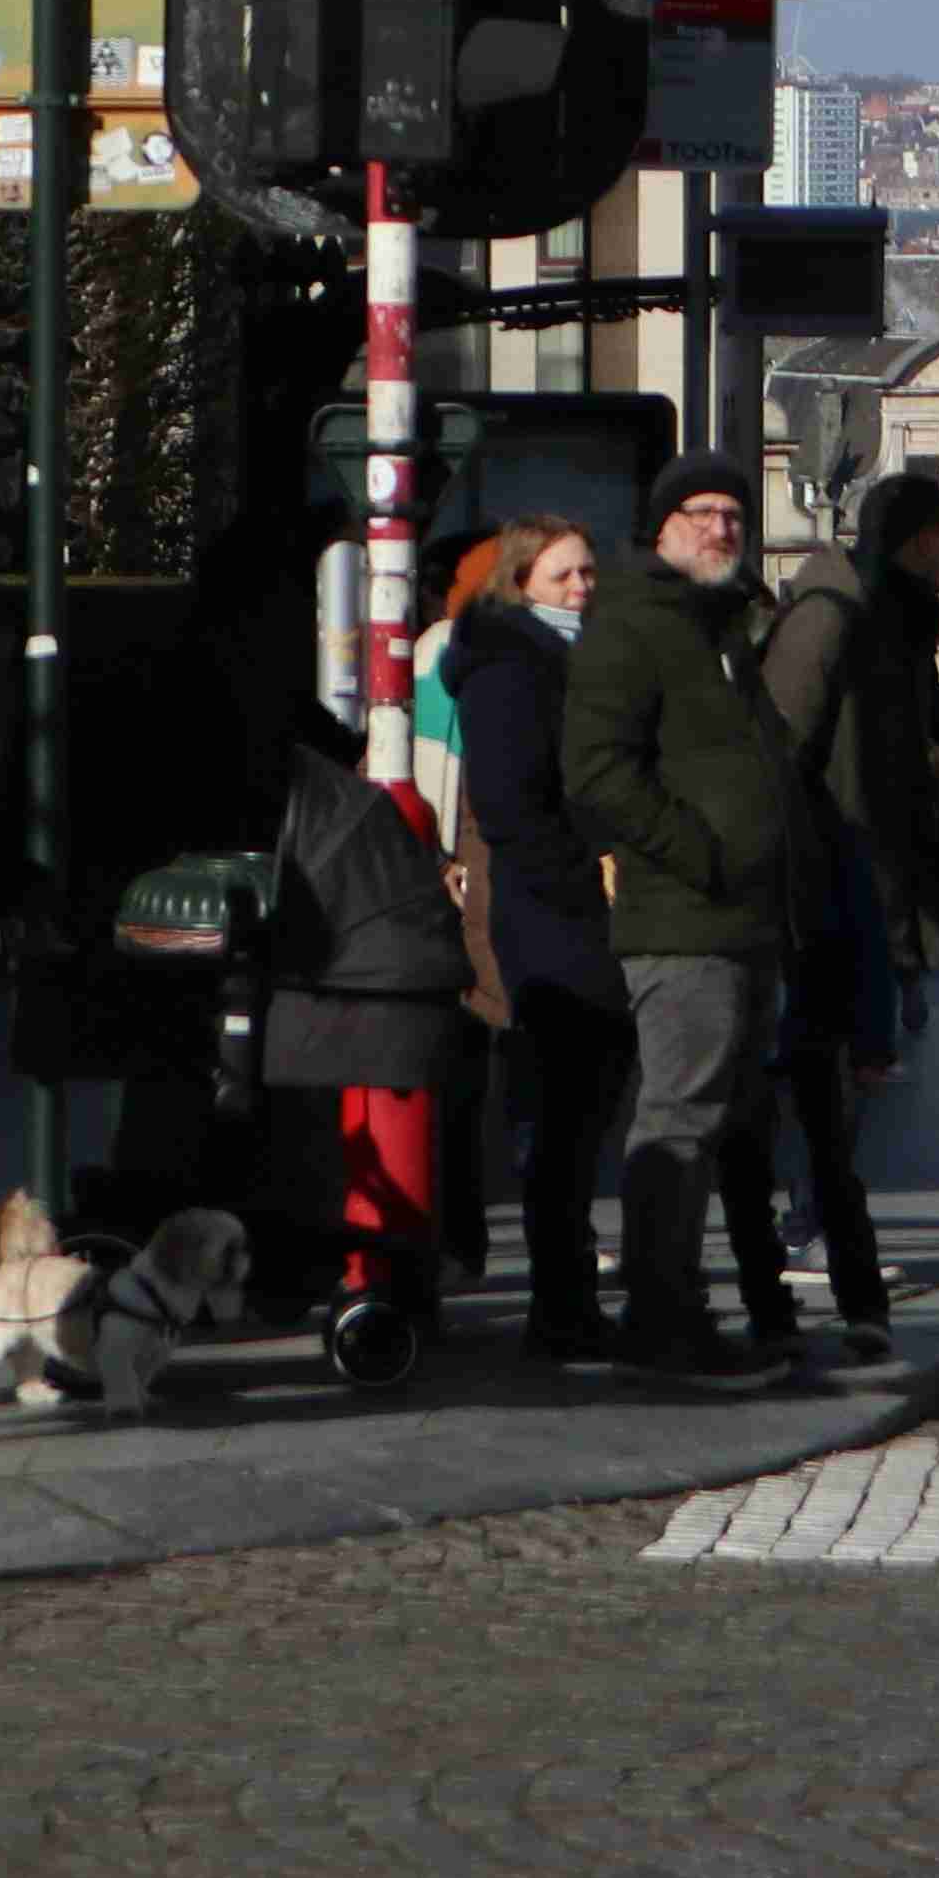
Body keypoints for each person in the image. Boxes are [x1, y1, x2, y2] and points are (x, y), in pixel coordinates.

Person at [560, 457, 809, 1388]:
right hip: (684, 922)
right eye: (699, 513)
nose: (720, 527)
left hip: (743, 922)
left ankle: (686, 1315)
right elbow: (597, 770)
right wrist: (700, 854)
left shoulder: (721, 626)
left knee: (718, 1123)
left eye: (733, 513)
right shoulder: (636, 624)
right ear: (661, 529)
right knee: (678, 1121)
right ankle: (663, 1325)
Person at [268, 504, 490, 1387]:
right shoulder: (438, 677)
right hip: (373, 942)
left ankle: (392, 1269)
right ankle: (387, 1270)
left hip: (368, 944)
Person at [746, 471, 936, 1361]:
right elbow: (787, 750)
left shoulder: (887, 617)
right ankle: (803, 1255)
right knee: (816, 1087)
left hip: (867, 879)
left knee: (845, 1081)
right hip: (829, 883)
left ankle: (841, 1276)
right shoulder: (833, 617)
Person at [446, 521, 629, 1369]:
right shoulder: (512, 669)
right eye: (564, 576)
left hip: (571, 913)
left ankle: (570, 1301)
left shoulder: (567, 657)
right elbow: (514, 805)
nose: (582, 588)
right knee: (561, 1121)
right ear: (523, 582)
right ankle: (561, 1307)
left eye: (589, 572)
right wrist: (585, 873)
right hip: (550, 917)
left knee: (580, 1117)